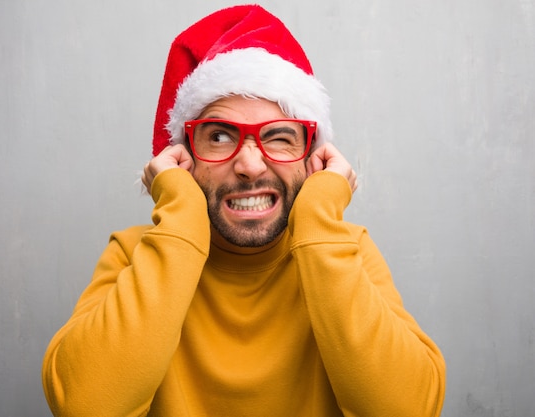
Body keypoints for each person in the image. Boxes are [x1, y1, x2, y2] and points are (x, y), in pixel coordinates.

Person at [42, 5, 446, 417]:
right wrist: (181, 215)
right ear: (181, 156)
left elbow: (408, 409)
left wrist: (318, 219)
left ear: (314, 158)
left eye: (279, 137)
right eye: (219, 136)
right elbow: (85, 406)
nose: (251, 165)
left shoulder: (345, 251)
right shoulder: (133, 253)